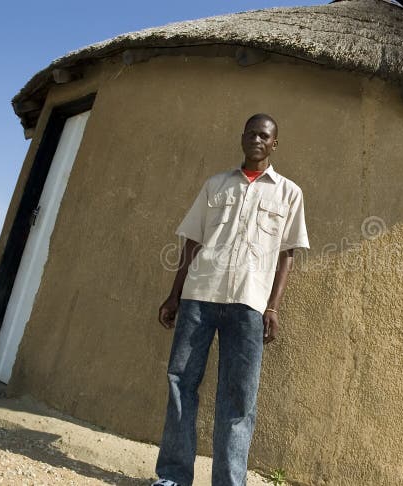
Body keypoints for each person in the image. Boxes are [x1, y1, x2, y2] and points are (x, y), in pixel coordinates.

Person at [153, 114, 309, 486]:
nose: (257, 139)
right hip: (199, 297)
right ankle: (173, 476)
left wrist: (273, 306)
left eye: (265, 135)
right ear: (242, 138)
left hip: (249, 305)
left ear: (275, 145)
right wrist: (174, 295)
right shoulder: (215, 185)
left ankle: (228, 482)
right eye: (252, 133)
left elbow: (287, 254)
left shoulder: (289, 193)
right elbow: (192, 241)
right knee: (181, 383)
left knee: (239, 398)